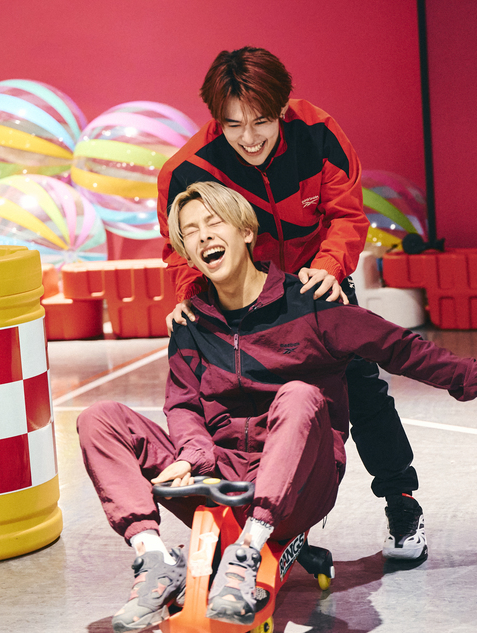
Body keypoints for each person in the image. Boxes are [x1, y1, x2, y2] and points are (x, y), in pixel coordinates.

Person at [81, 181, 477, 633]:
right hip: (217, 477)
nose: (203, 237)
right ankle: (154, 557)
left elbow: (407, 352)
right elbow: (182, 405)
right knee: (99, 418)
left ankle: (248, 552)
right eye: (190, 232)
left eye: (213, 223)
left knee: (300, 394)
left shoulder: (310, 305)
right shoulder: (191, 324)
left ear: (246, 231)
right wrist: (192, 456)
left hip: (301, 481)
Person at [157, 46, 428, 562]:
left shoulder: (319, 134)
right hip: (240, 300)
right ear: (216, 120)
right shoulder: (188, 169)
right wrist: (190, 295)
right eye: (233, 125)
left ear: (282, 107)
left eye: (261, 121)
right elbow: (179, 246)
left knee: (363, 389)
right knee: (238, 403)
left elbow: (346, 215)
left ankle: (402, 501)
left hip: (318, 282)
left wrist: (327, 268)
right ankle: (259, 513)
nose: (249, 137)